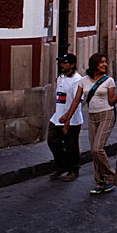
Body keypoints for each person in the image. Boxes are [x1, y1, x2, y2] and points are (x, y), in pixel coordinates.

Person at [62, 53, 117, 194]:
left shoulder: (109, 81)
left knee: (97, 148)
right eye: (101, 62)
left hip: (107, 115)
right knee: (94, 151)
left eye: (105, 62)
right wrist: (67, 119)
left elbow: (111, 101)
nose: (105, 64)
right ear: (94, 65)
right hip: (92, 117)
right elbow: (76, 101)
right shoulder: (83, 81)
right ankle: (99, 182)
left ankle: (110, 175)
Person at [47, 53, 83, 182]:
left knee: (71, 145)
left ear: (72, 65)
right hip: (57, 117)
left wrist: (67, 116)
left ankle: (74, 169)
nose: (62, 65)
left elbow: (77, 100)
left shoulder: (78, 80)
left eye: (65, 62)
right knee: (52, 140)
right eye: (61, 62)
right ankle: (61, 165)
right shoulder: (61, 77)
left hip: (72, 119)